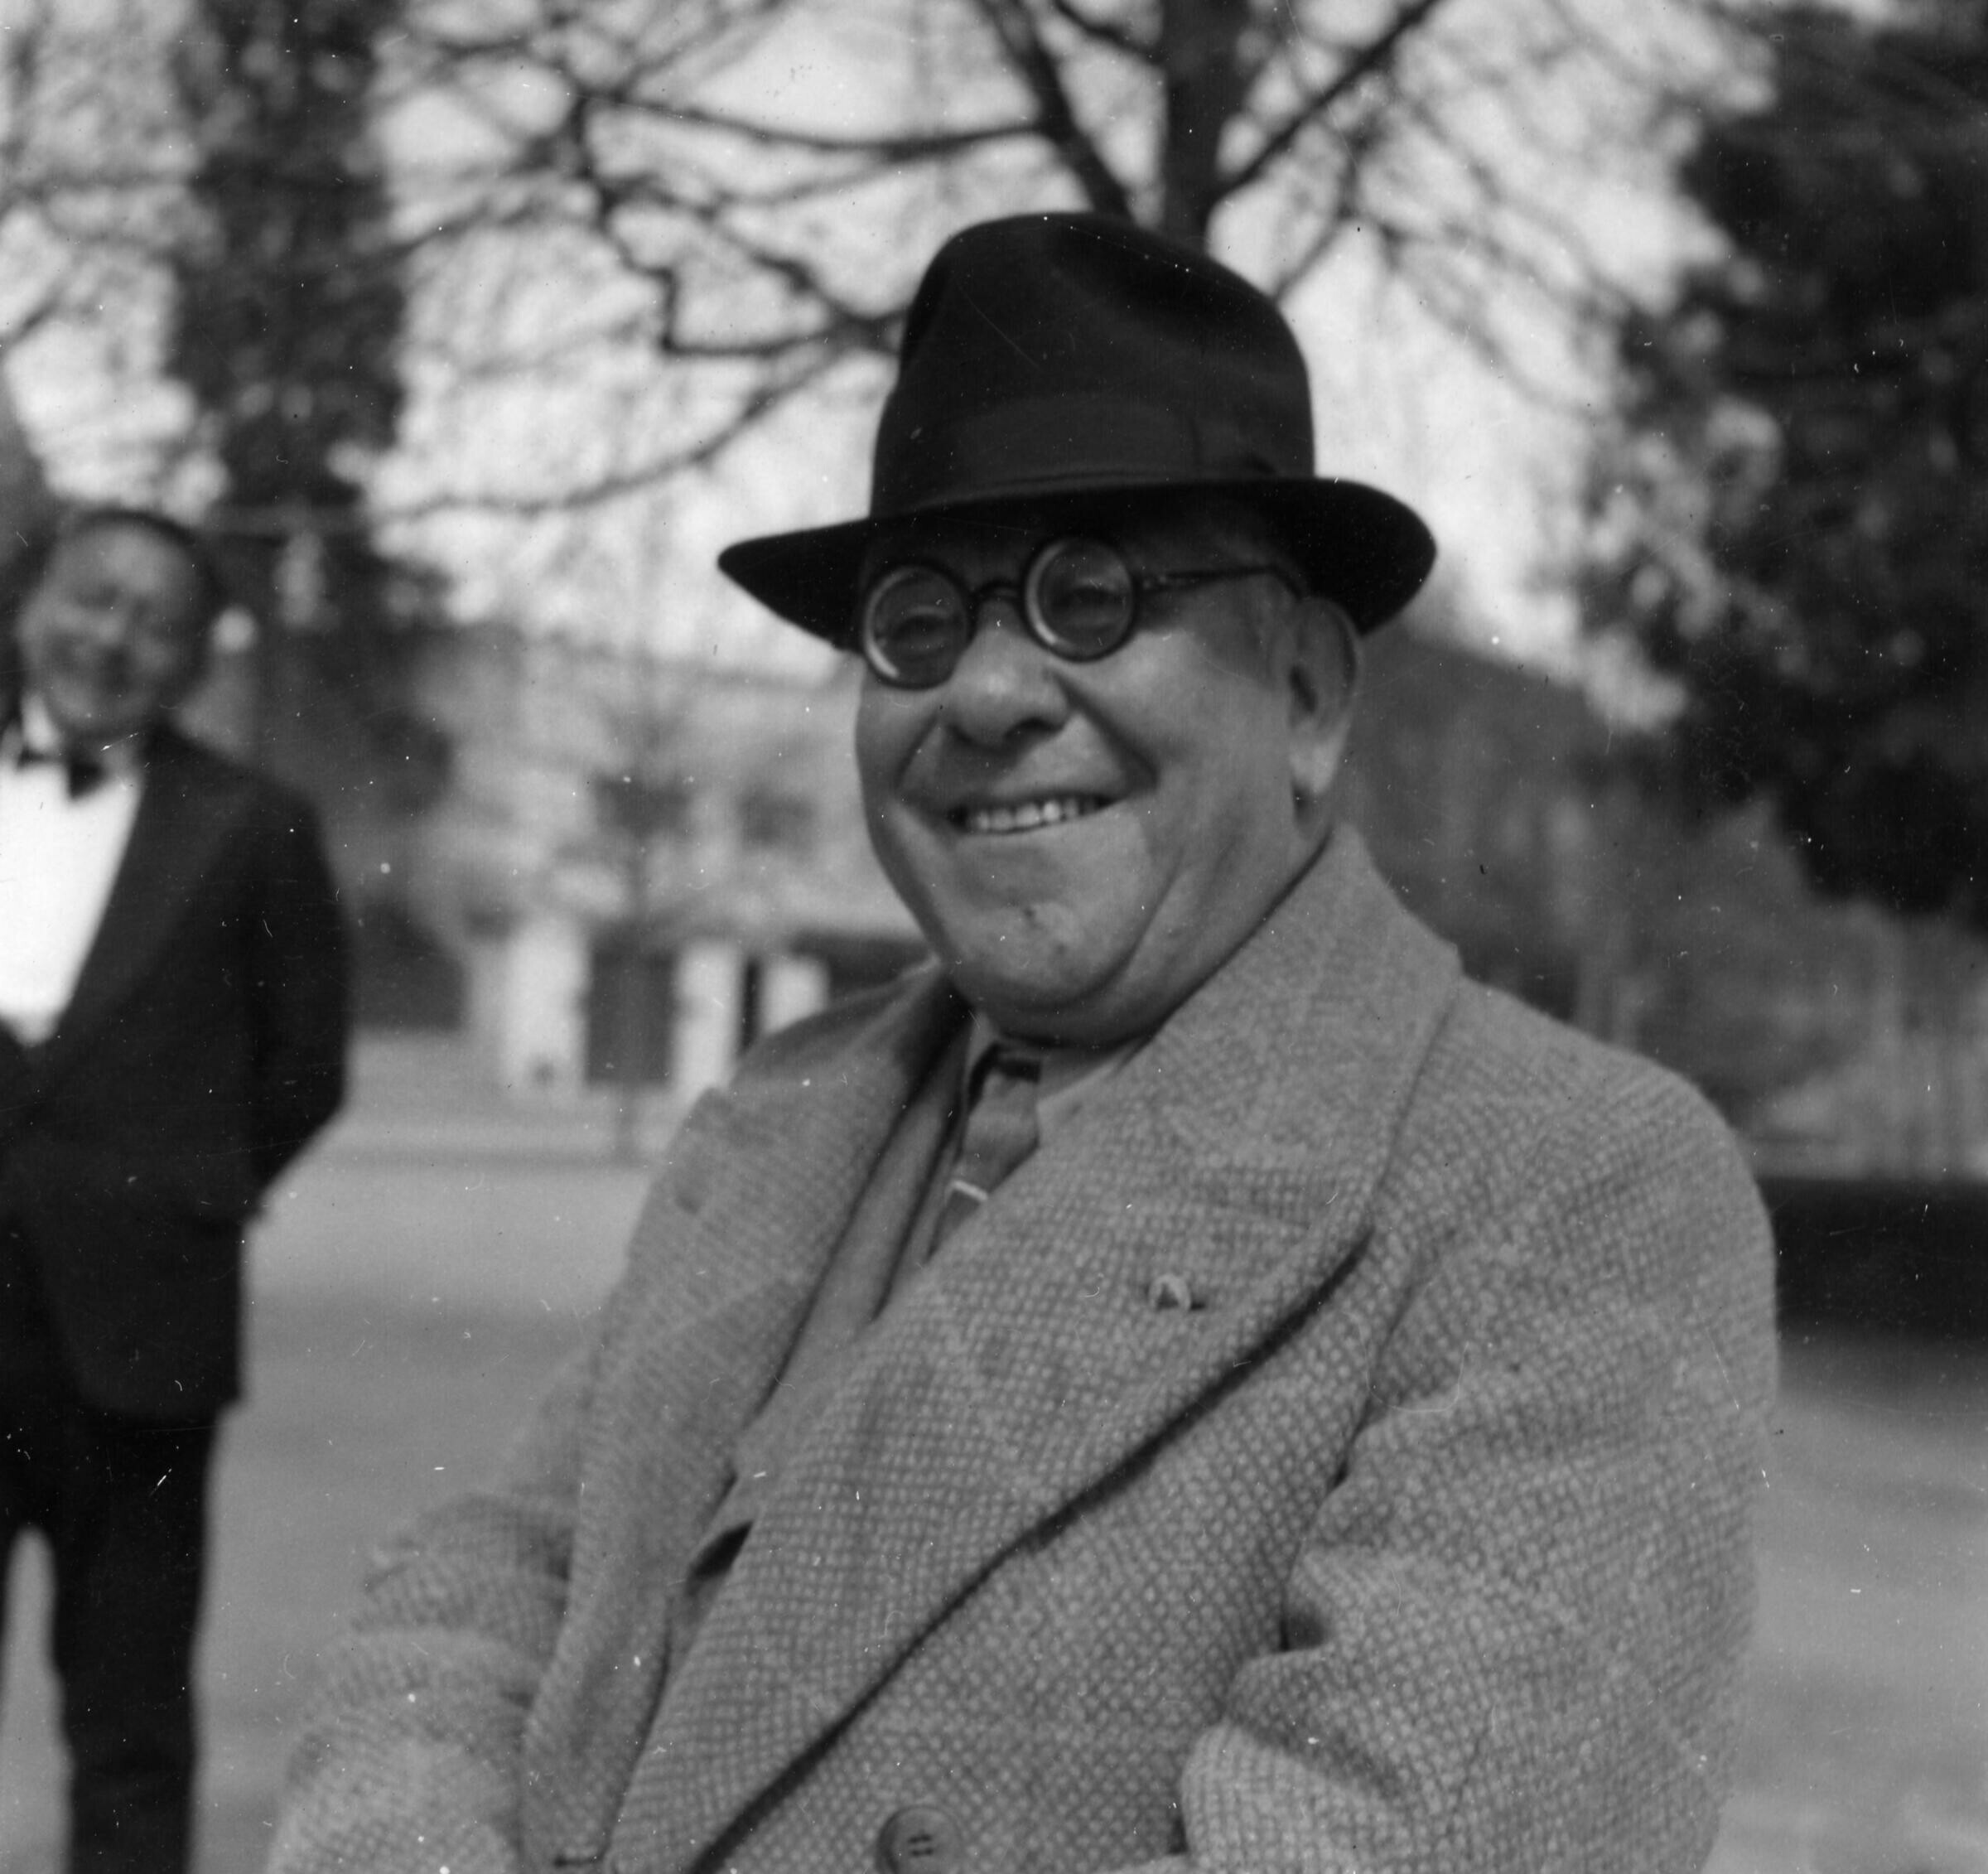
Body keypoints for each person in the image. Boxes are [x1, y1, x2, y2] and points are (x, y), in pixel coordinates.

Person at [270, 213, 1774, 1874]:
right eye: (916, 621)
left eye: (1090, 594)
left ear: (1309, 696)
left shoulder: (1567, 1185)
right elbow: (490, 1579)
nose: (984, 696)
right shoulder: (772, 1118)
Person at [0, 505, 349, 1874]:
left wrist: (168, 1194)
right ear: (33, 603)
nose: (113, 639)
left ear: (199, 661)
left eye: (159, 622)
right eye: (93, 599)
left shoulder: (254, 826)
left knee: (130, 1716)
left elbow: (302, 1067)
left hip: (138, 1340)